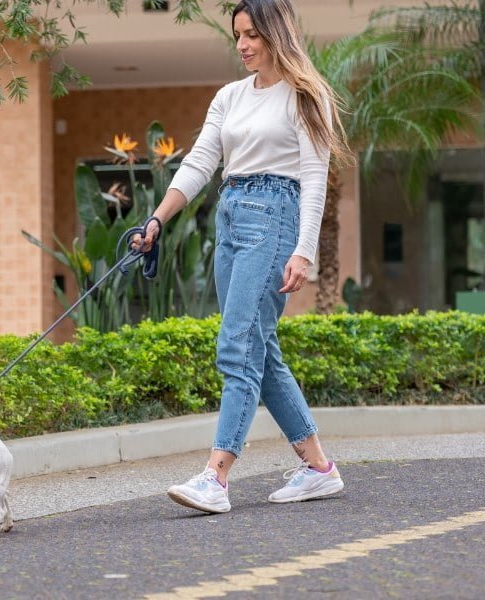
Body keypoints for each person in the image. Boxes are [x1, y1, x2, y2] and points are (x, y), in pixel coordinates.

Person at [131, 0, 352, 514]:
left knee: (236, 346)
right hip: (230, 216)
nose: (244, 45)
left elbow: (315, 178)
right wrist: (158, 219)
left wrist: (304, 250)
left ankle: (217, 475)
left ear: (277, 31)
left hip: (276, 217)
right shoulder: (229, 96)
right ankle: (318, 468)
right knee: (259, 346)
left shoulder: (305, 95)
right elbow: (201, 161)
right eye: (237, 36)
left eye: (252, 34)